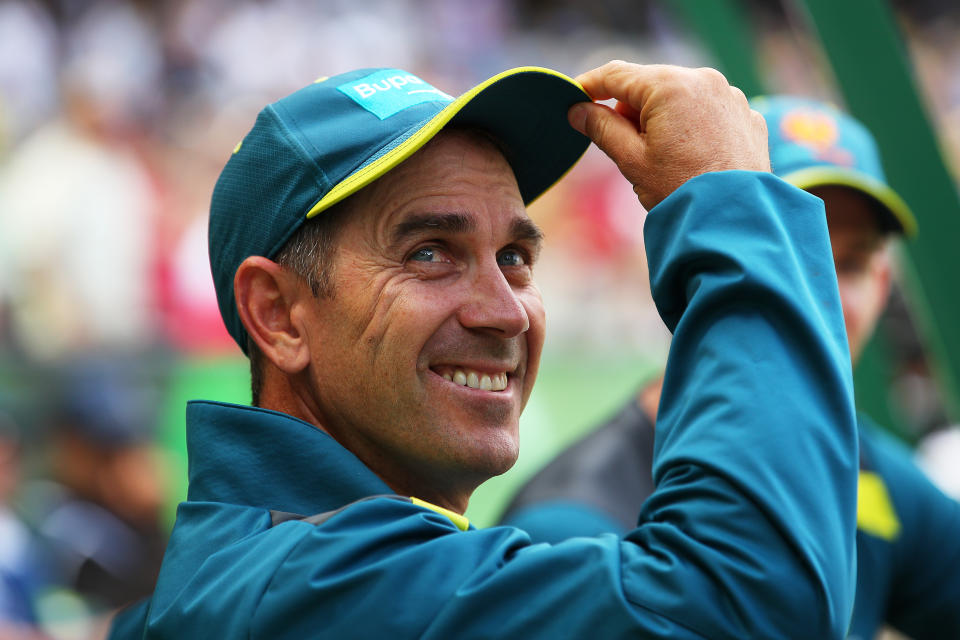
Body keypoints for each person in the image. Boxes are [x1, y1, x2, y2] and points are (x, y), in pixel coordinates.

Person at [111, 62, 859, 638]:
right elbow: (755, 601)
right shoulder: (308, 582)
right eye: (431, 253)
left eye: (515, 257)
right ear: (278, 317)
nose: (505, 312)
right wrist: (733, 207)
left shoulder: (277, 563)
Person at [501, 95, 960, 640]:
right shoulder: (572, 527)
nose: (829, 297)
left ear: (883, 286)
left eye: (853, 263)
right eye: (792, 254)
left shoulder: (866, 465)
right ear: (702, 268)